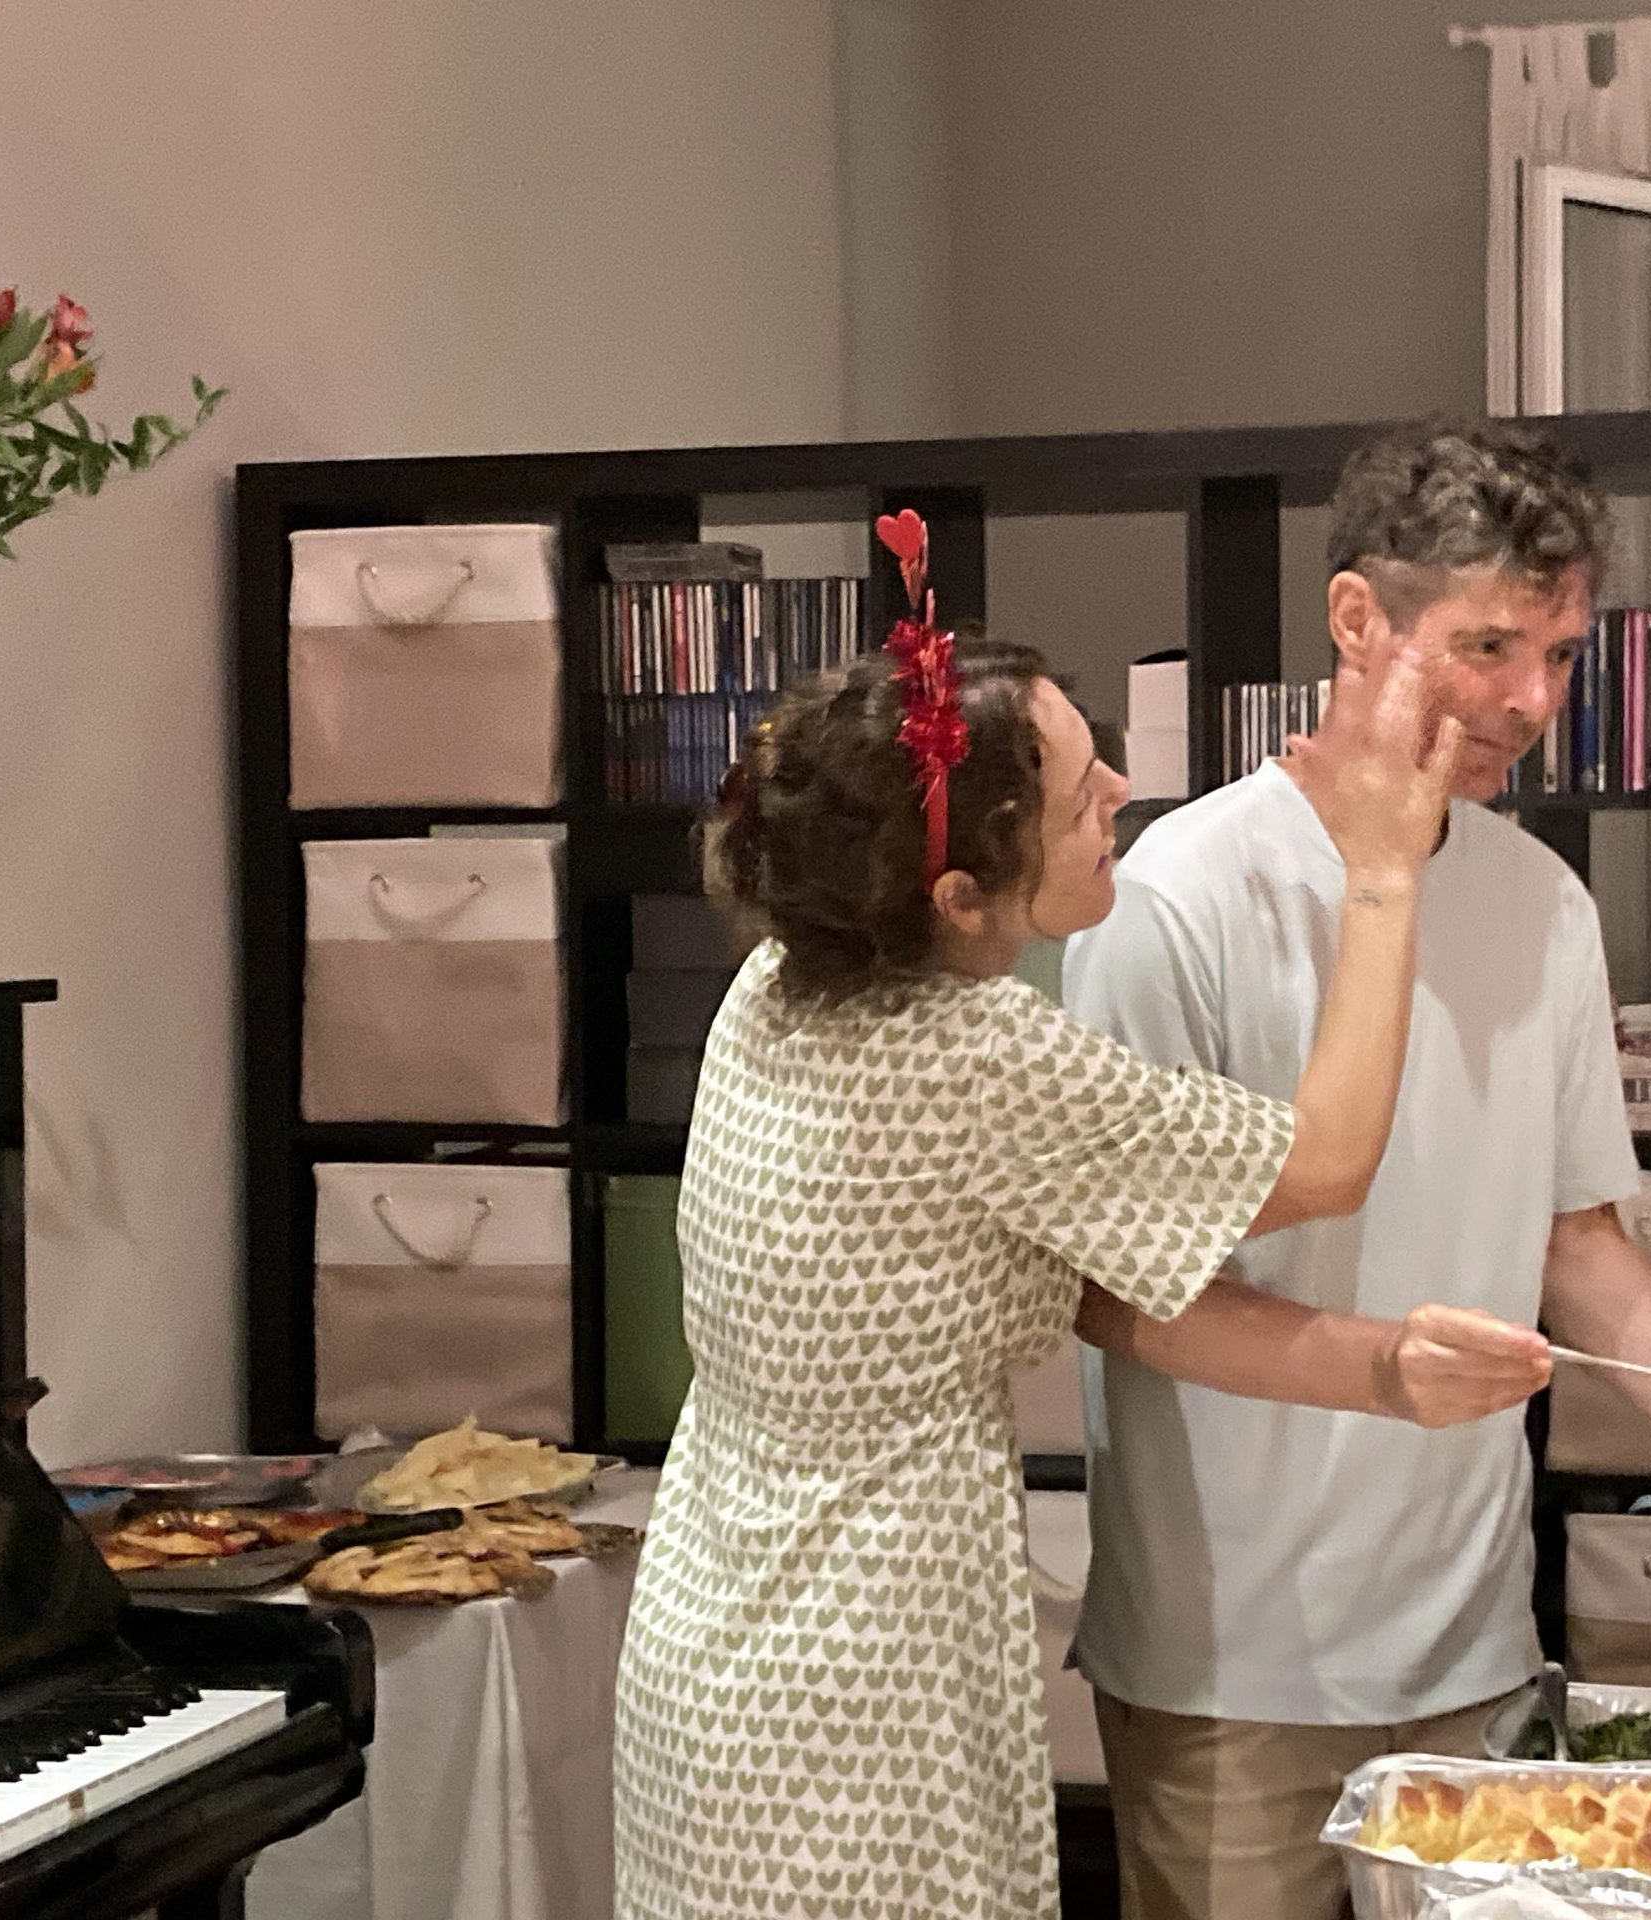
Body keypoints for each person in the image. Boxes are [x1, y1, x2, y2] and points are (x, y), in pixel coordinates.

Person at [609, 511, 1563, 1920]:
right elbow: (1325, 1162)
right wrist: (1381, 873)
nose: (1121, 787)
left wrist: (1378, 1370)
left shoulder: (777, 991)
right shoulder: (976, 1058)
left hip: (713, 1635)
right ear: (958, 899)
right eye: (1076, 800)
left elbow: (1106, 1286)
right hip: (859, 1694)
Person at [1059, 418, 1651, 1920]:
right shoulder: (1177, 897)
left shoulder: (1546, 904)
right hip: (1227, 1663)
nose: (1533, 699)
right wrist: (1383, 1366)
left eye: (1560, 654)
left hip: (1474, 1652)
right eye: (1489, 645)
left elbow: (1578, 1237)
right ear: (1356, 618)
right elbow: (1121, 1296)